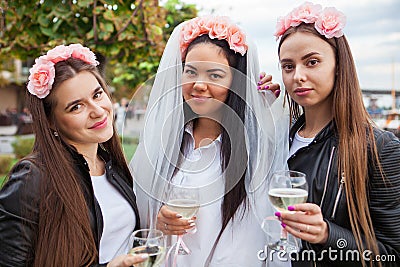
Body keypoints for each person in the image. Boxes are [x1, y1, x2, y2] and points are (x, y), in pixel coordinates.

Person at [130, 15, 289, 266]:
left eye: (215, 76)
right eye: (190, 72)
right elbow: (140, 213)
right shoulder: (167, 142)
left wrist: (267, 104)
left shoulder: (254, 153)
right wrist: (157, 219)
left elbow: (256, 242)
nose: (199, 85)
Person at [269, 2, 400, 266]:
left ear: (339, 65)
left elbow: (392, 253)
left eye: (312, 62)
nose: (299, 76)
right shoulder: (276, 140)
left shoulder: (378, 148)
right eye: (288, 66)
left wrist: (328, 234)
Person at [0, 44, 147, 267]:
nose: (97, 111)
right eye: (76, 107)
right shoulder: (32, 178)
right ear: (50, 121)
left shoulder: (112, 166)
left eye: (97, 95)